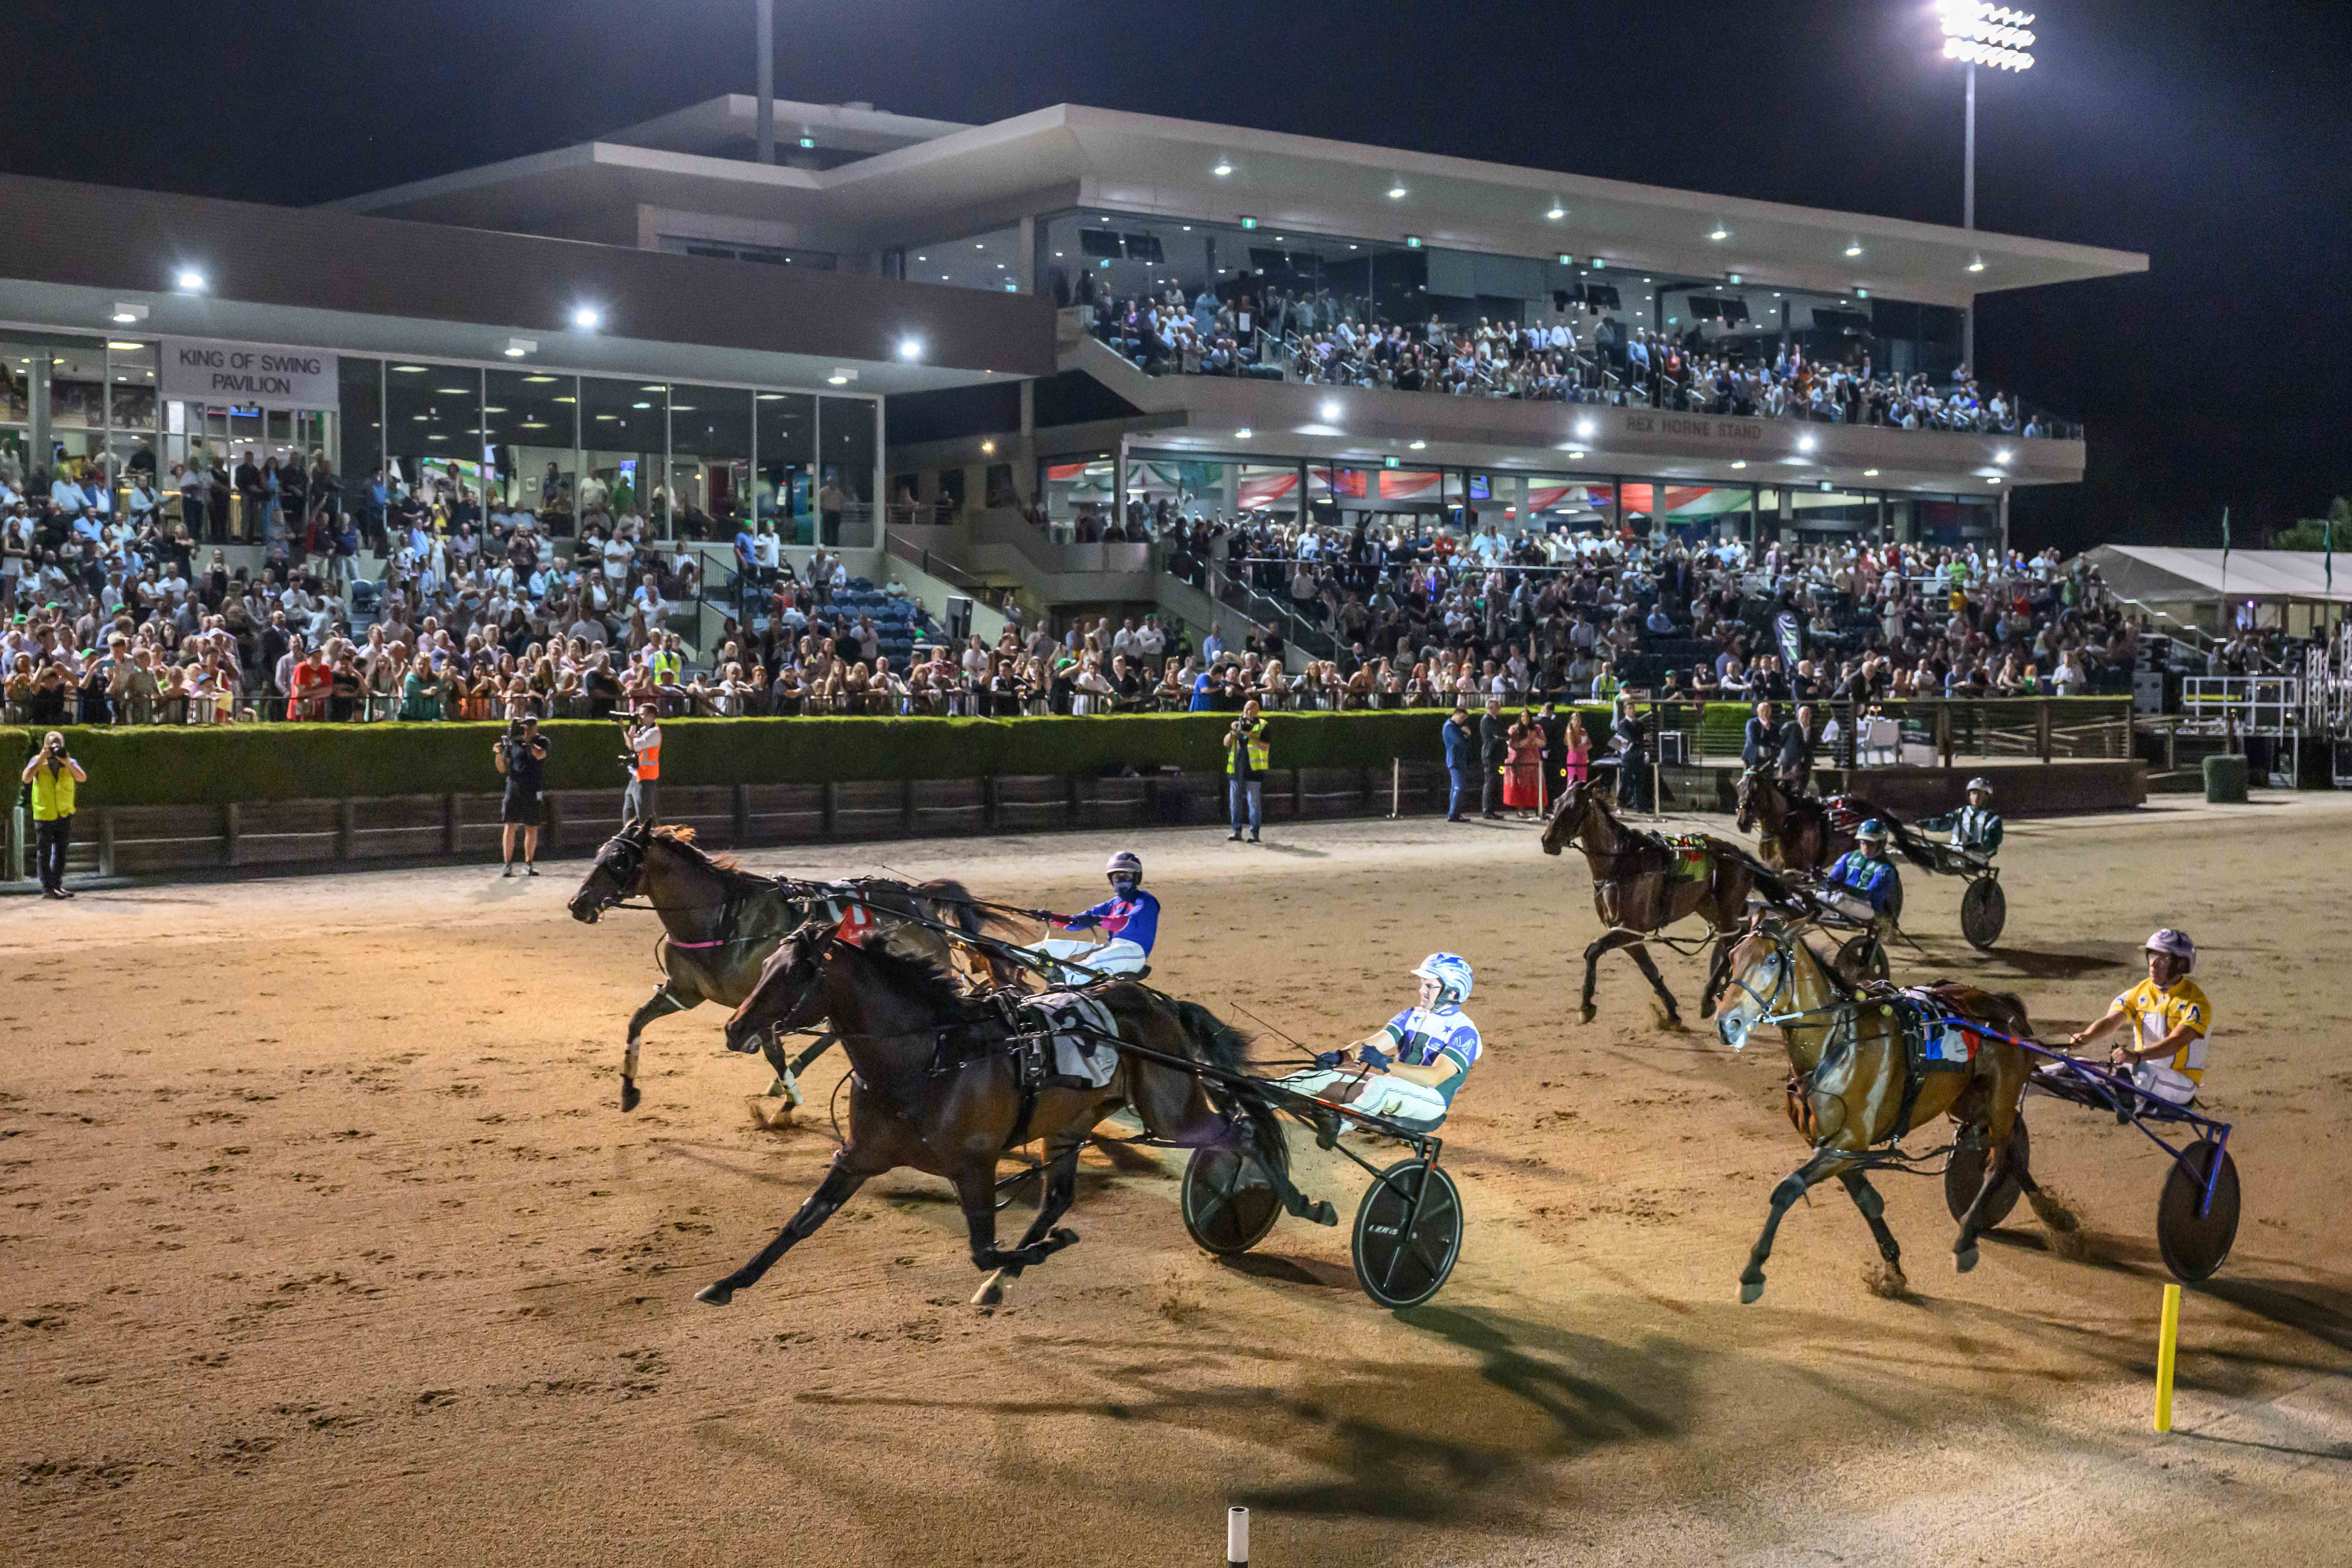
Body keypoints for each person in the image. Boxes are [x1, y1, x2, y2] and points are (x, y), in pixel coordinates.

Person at [1284, 953, 1481, 1135]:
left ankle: (1340, 1124)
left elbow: (1434, 1078)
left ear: (1453, 993)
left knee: (1381, 1085)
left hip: (1431, 1100)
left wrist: (1386, 1064)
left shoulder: (1465, 1033)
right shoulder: (1411, 1016)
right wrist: (1342, 1056)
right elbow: (1374, 1043)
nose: (1422, 991)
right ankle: (1263, 1104)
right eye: (1423, 984)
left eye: (1430, 986)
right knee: (1321, 1076)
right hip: (1396, 1085)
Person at [2065, 929, 2211, 1106]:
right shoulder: (2141, 991)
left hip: (2180, 1083)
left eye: (2163, 959)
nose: (2153, 965)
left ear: (2180, 965)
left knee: (2145, 1076)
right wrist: (2087, 1036)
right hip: (2138, 1069)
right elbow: (2111, 1021)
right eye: (2151, 957)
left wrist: (2136, 1057)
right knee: (2074, 1066)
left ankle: (2132, 1102)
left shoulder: (2196, 1003)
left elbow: (2177, 1042)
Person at [1033, 850, 1160, 979]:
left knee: (1098, 958)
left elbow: (1125, 922)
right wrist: (1052, 917)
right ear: (1111, 880)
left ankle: (1062, 979)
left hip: (1134, 954)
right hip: (1110, 948)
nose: (1120, 881)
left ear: (1136, 878)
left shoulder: (1146, 901)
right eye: (1117, 877)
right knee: (1052, 946)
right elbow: (1076, 922)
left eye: (1125, 877)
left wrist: (1097, 920)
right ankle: (1014, 961)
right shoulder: (1112, 904)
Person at [22, 729, 85, 898]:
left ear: (63, 746)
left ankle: (57, 885)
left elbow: (82, 778)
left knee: (61, 851)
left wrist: (67, 762)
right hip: (44, 814)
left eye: (58, 744)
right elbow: (26, 778)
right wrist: (42, 757)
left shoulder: (70, 761)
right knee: (44, 853)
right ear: (45, 745)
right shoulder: (37, 761)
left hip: (64, 813)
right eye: (51, 744)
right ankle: (48, 888)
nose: (55, 747)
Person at [494, 714, 549, 876]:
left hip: (533, 789)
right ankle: (508, 865)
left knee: (532, 827)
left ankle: (528, 864)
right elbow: (502, 769)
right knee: (511, 825)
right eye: (527, 725)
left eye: (532, 725)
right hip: (514, 787)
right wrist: (499, 753)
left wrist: (529, 742)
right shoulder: (514, 743)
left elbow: (540, 755)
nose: (529, 728)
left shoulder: (542, 742)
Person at [1821, 819, 1901, 920]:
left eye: (1871, 844)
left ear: (1882, 844)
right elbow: (1832, 882)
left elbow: (1870, 896)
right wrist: (1821, 881)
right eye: (1863, 843)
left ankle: (1817, 913)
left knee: (1841, 898)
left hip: (1869, 909)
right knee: (1810, 897)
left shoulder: (1886, 870)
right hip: (1843, 901)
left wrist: (1843, 887)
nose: (1866, 848)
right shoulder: (1849, 857)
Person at [1920, 776, 2003, 859]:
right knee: (1929, 849)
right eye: (1974, 794)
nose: (1977, 797)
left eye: (1980, 794)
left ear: (1987, 797)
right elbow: (1946, 822)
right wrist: (1928, 823)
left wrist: (1977, 847)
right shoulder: (1961, 813)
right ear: (1969, 796)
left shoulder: (1993, 819)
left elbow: (1994, 841)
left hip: (1978, 856)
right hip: (1956, 852)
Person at [1226, 697, 1267, 843]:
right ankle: (1237, 831)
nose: (1247, 713)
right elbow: (1226, 743)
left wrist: (1250, 736)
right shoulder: (1238, 724)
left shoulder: (1263, 725)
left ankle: (1254, 833)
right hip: (1236, 769)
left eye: (1251, 710)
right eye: (1246, 710)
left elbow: (1265, 747)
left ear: (1257, 711)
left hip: (1254, 770)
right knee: (1235, 803)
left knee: (1254, 803)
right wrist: (1233, 732)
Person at [618, 701, 662, 827]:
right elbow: (632, 738)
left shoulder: (654, 733)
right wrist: (633, 722)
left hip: (646, 779)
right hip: (636, 777)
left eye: (642, 715)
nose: (639, 717)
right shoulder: (644, 730)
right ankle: (632, 843)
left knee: (646, 818)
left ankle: (658, 842)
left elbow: (632, 746)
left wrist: (623, 728)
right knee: (629, 816)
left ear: (651, 716)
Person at [1502, 711, 1544, 818]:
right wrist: (1528, 740)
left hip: (1534, 761)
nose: (1525, 719)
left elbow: (1543, 743)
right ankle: (1521, 810)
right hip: (1520, 762)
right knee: (1520, 786)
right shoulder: (1515, 729)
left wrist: (1534, 739)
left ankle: (1539, 810)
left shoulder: (1537, 729)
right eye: (1523, 717)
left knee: (1537, 786)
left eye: (1527, 717)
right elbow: (1514, 744)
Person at [1442, 705, 1476, 822]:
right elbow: (1460, 742)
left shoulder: (1455, 726)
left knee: (1456, 787)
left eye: (1464, 719)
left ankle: (1455, 813)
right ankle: (1454, 814)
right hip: (1455, 760)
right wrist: (1467, 735)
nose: (1463, 721)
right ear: (1456, 715)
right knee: (1459, 787)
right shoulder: (1450, 727)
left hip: (1459, 760)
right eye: (1461, 718)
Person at [1478, 696, 1509, 819]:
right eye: (1497, 706)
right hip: (1490, 755)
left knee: (1495, 783)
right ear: (1491, 708)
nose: (1500, 709)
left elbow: (1502, 733)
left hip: (1496, 755)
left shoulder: (1496, 719)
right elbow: (1500, 733)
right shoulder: (1487, 720)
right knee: (1490, 783)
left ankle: (1492, 809)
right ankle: (1487, 810)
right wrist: (1503, 736)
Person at [1741, 699, 1783, 771]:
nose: (1765, 713)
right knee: (1750, 779)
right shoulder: (1752, 723)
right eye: (1763, 711)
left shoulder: (1775, 726)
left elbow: (1778, 742)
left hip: (1769, 759)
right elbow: (1753, 740)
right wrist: (1770, 743)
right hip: (1753, 757)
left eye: (1768, 711)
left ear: (1771, 712)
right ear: (1758, 712)